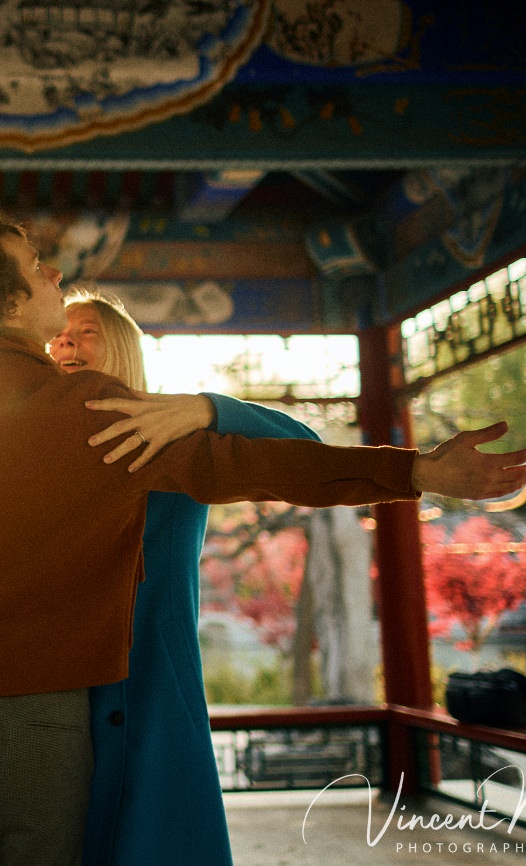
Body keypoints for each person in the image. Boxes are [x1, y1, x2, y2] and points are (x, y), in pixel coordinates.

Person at [0, 196, 526, 865]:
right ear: (8, 302)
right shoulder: (100, 420)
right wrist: (416, 472)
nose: (56, 273)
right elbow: (259, 469)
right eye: (39, 269)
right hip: (50, 718)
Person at [50, 291, 322, 865]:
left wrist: (205, 409)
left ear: (123, 347)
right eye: (56, 332)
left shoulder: (177, 439)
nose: (65, 339)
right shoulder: (25, 452)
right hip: (53, 704)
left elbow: (307, 451)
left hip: (153, 693)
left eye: (86, 330)